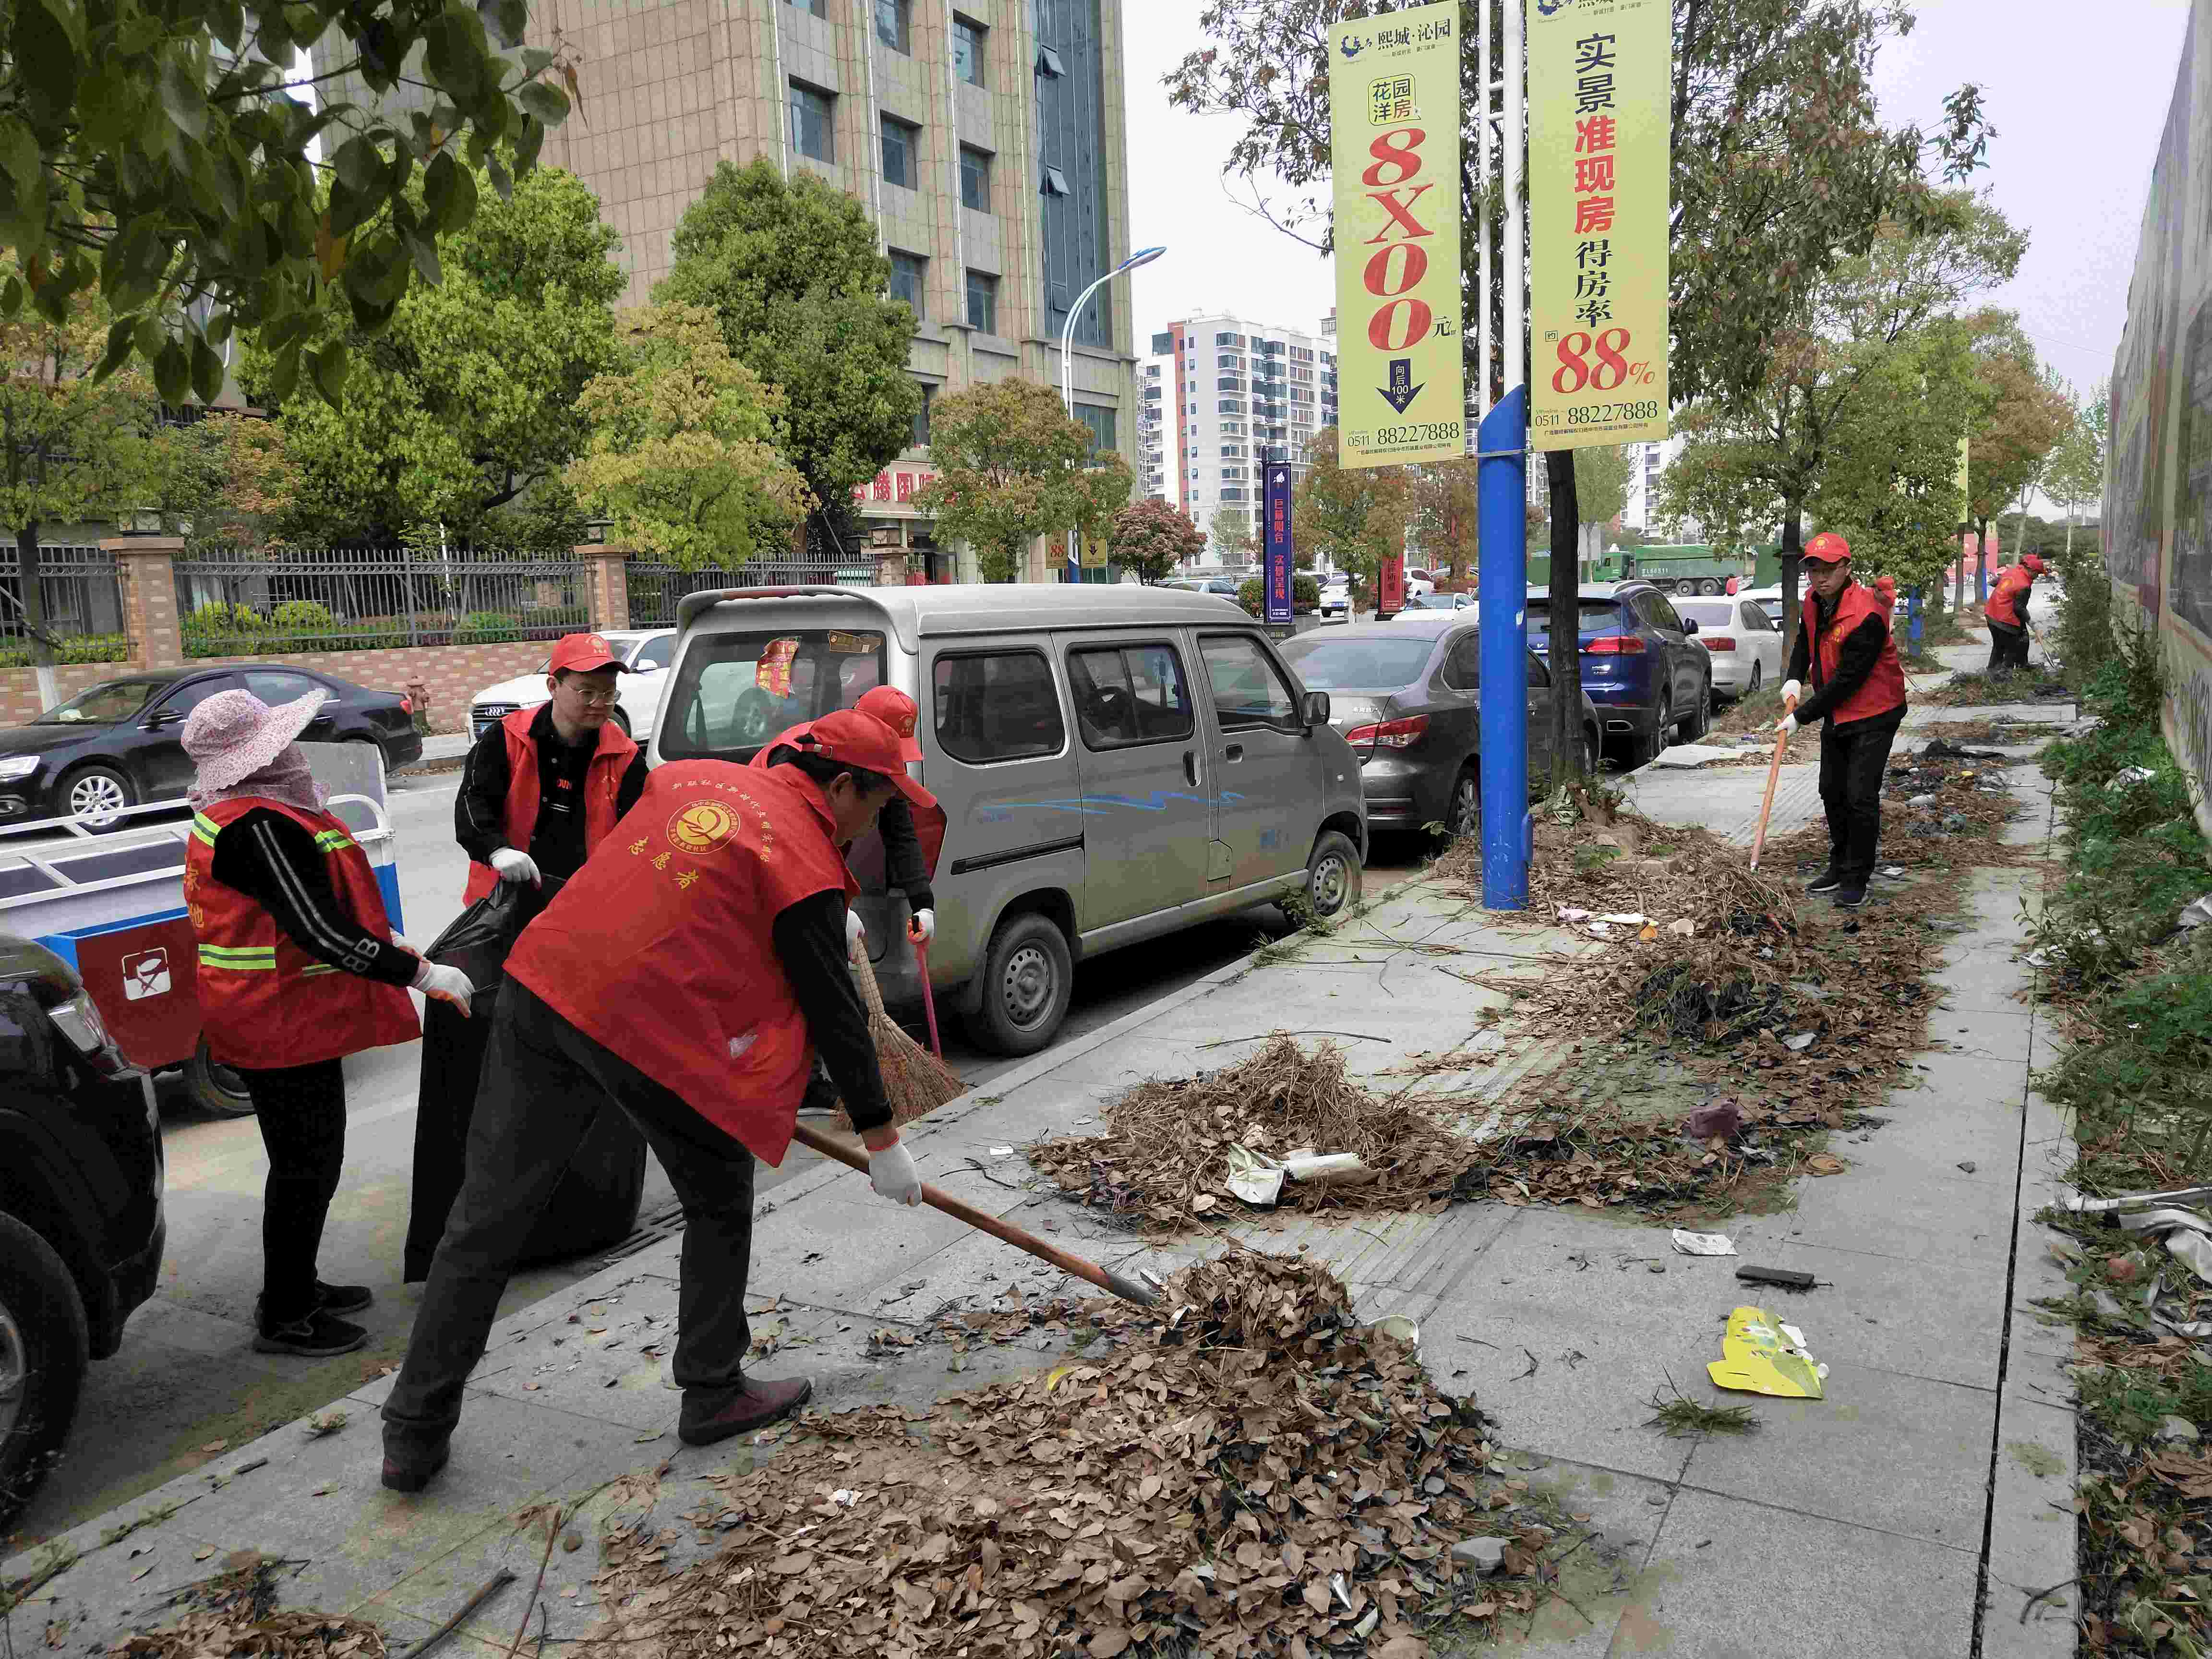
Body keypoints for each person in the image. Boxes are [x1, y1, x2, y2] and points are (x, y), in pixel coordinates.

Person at [381, 709, 934, 1492]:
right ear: (841, 785)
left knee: (484, 1219)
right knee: (717, 1190)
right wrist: (882, 1140)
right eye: (874, 808)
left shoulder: (696, 777)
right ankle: (712, 1389)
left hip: (543, 982)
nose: (872, 827)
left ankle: (411, 1432)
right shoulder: (803, 857)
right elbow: (834, 1012)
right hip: (635, 1021)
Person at [181, 690, 474, 1358]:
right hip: (273, 1023)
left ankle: (300, 1285)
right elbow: (316, 929)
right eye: (275, 743)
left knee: (311, 1160)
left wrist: (396, 943)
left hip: (284, 1017)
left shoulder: (265, 815)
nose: (290, 751)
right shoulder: (257, 827)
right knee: (304, 1167)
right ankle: (284, 1314)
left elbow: (324, 903)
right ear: (255, 758)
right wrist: (420, 976)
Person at [403, 633, 653, 1282]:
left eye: (609, 692)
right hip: (508, 910)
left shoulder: (623, 756)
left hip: (586, 918)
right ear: (554, 687)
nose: (600, 702)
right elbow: (472, 809)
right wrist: (495, 850)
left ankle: (579, 1201)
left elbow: (640, 833)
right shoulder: (507, 740)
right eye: (588, 690)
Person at [1777, 532, 1910, 911]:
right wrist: (1794, 676)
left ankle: (1857, 877)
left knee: (1859, 795)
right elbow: (1806, 639)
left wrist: (1802, 716)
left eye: (1829, 570)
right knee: (1831, 790)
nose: (1820, 578)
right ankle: (1840, 863)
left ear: (1847, 569)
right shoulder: (1815, 601)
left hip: (1877, 710)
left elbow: (1849, 679)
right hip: (1839, 710)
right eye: (1814, 570)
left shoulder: (1867, 614)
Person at [1984, 554, 2045, 674]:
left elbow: (1994, 582)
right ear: (2032, 571)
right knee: (2012, 648)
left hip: (1991, 614)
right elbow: (2019, 609)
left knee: (1999, 646)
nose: (2037, 577)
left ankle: (1992, 673)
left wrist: (2006, 590)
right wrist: (2033, 624)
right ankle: (2006, 675)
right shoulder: (2025, 586)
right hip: (2004, 619)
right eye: (2037, 574)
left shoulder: (2011, 572)